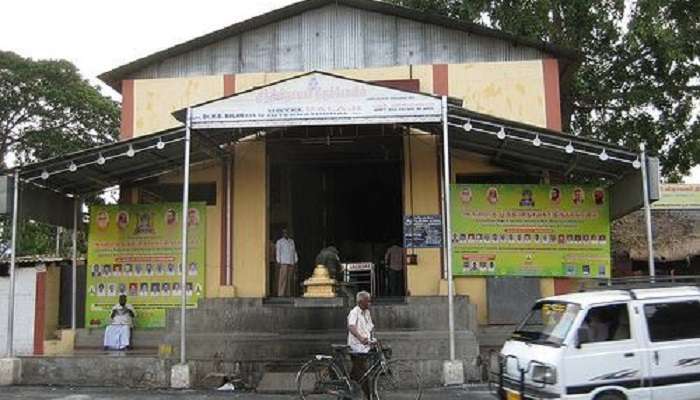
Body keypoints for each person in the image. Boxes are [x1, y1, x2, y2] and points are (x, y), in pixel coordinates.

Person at [347, 291, 374, 398]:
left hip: (366, 347)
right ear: (361, 302)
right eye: (368, 301)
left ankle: (347, 393)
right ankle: (369, 396)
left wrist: (372, 339)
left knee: (356, 374)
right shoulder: (354, 312)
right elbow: (351, 327)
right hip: (357, 347)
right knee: (363, 373)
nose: (370, 303)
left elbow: (371, 327)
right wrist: (360, 338)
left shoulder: (367, 312)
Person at [275, 228, 298, 297]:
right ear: (282, 233)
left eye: (287, 232)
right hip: (283, 262)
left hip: (291, 261)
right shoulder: (279, 242)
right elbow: (278, 252)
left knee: (289, 278)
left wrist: (296, 260)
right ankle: (281, 293)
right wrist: (278, 261)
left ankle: (288, 293)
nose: (286, 234)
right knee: (283, 278)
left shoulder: (291, 241)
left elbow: (294, 251)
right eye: (284, 232)